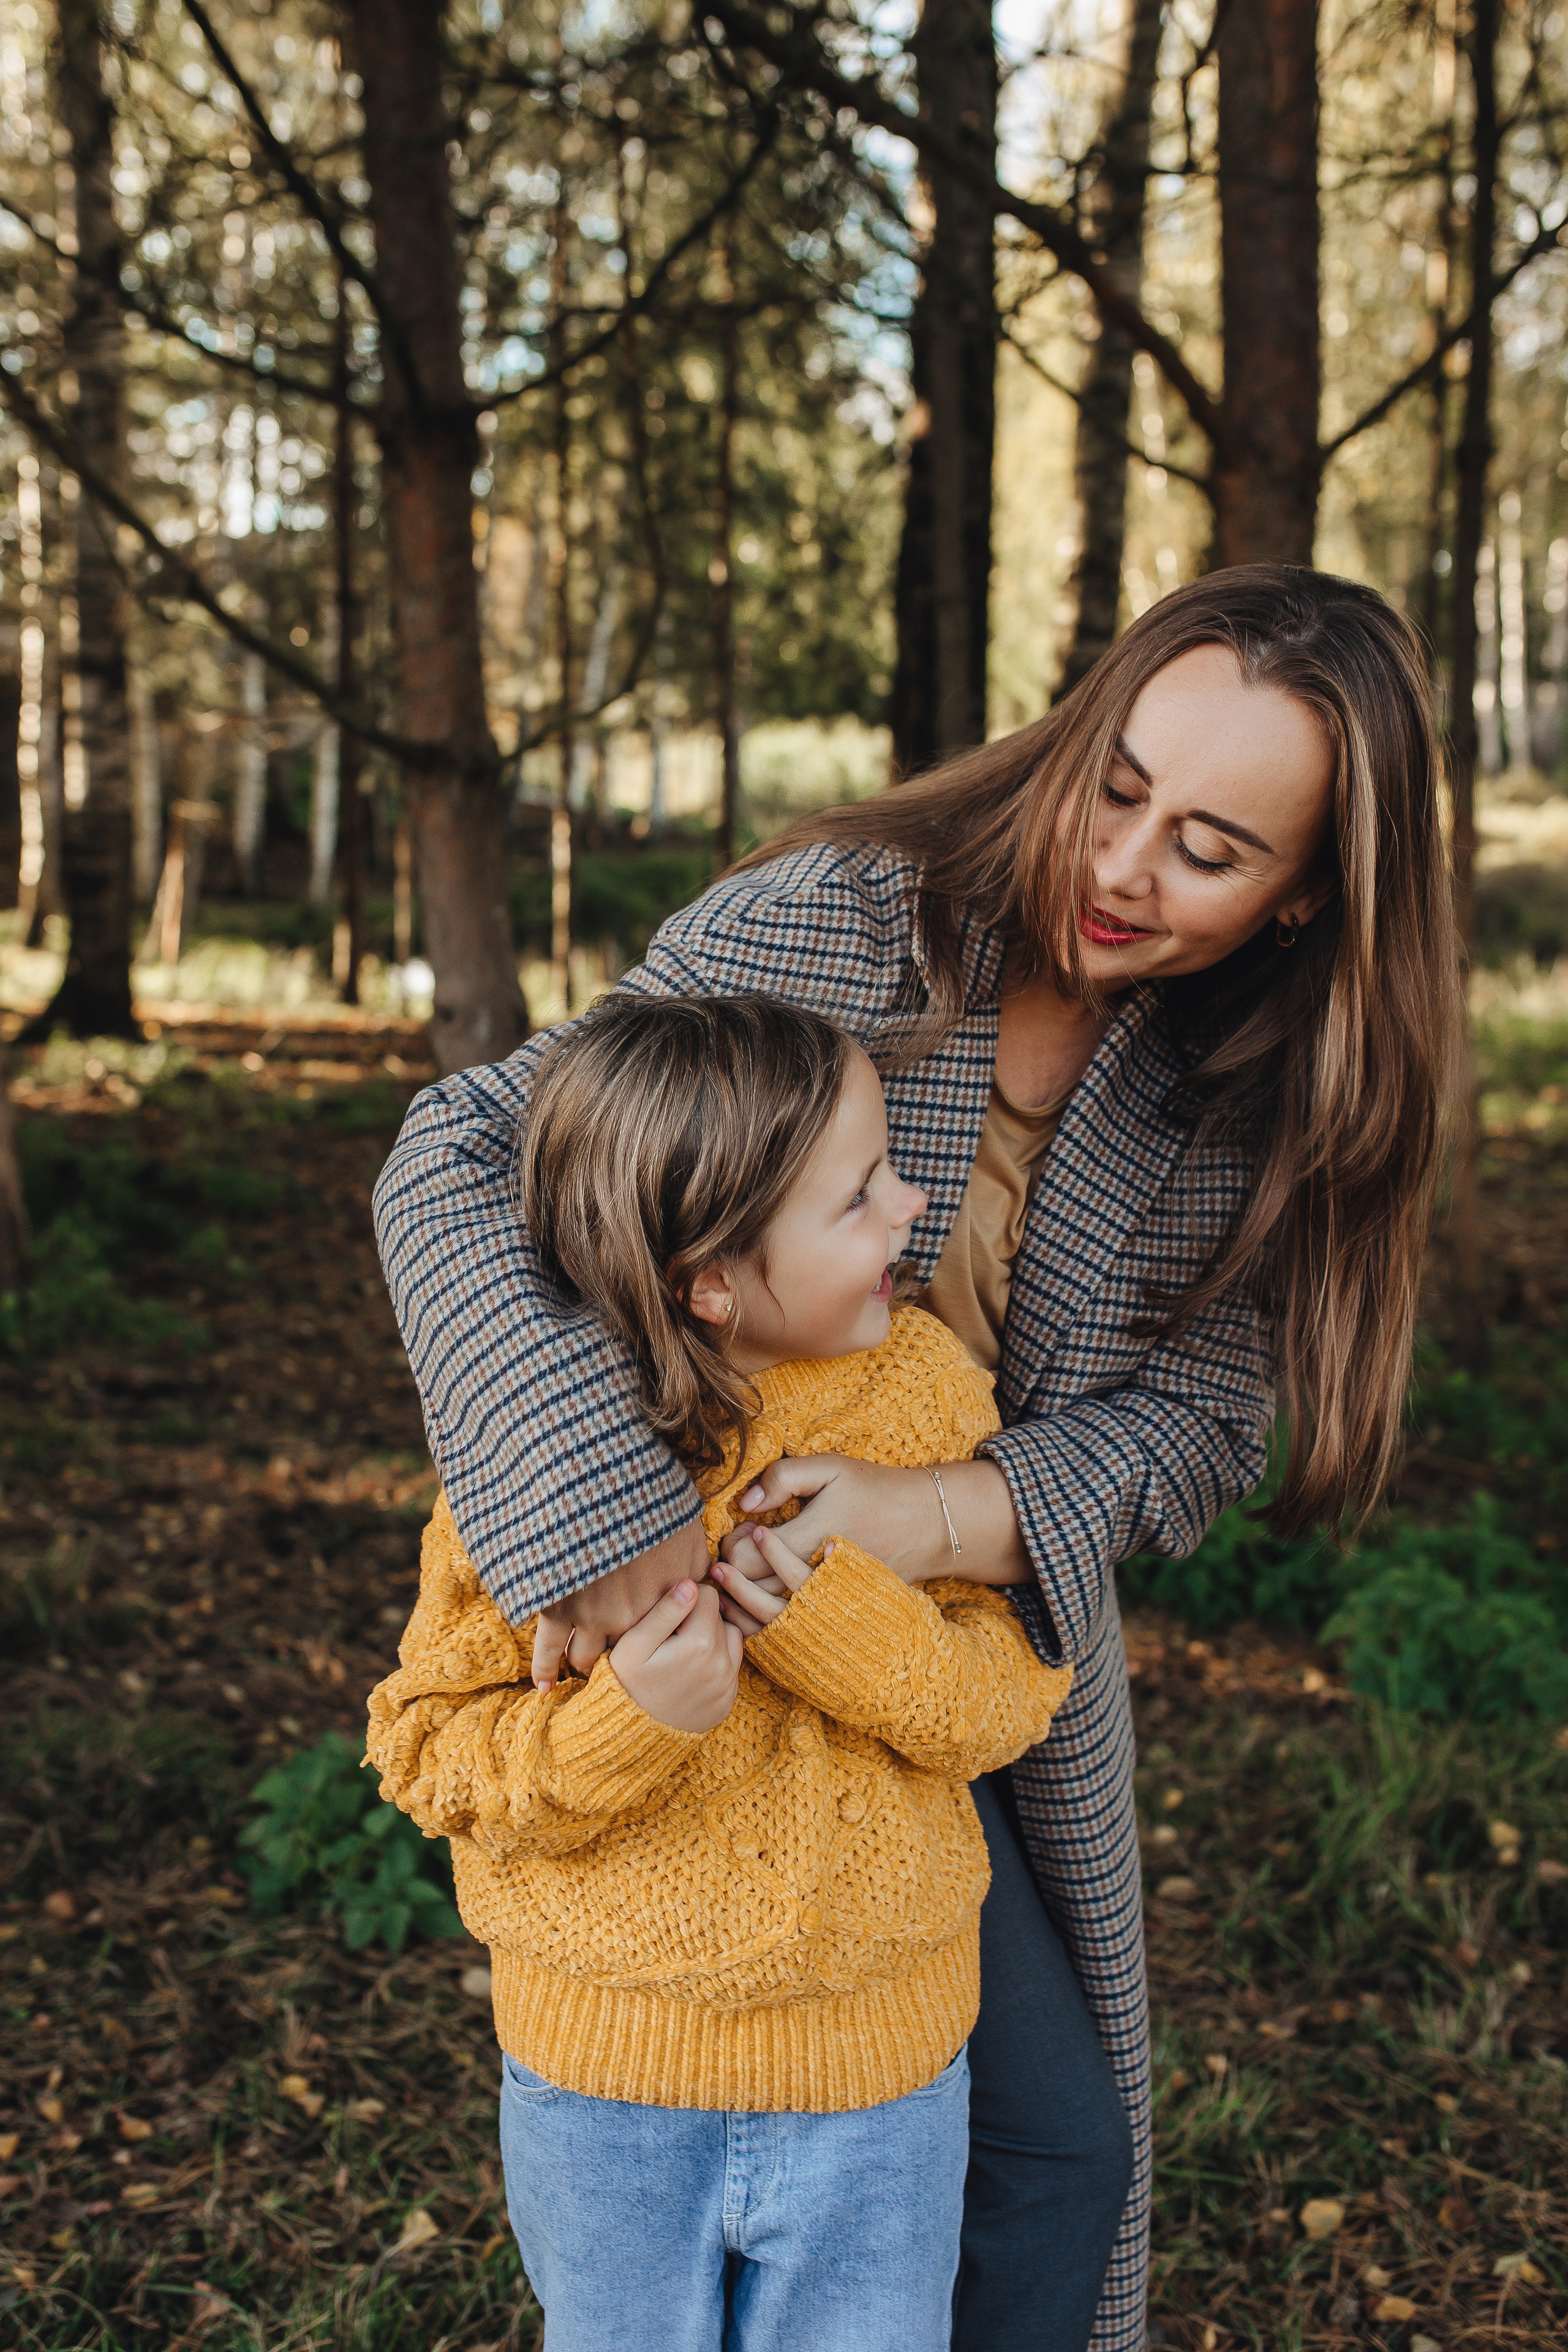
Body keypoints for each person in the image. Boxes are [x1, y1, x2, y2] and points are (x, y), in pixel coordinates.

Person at [373, 567, 1462, 2352]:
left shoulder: (1262, 1084)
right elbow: (473, 1153)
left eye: (1211, 850)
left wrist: (934, 1515)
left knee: (1057, 2154)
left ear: (1305, 898)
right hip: (693, 1638)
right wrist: (599, 1516)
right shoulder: (841, 925)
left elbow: (1203, 1423)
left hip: (950, 1659)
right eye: (1117, 788)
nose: (1123, 869)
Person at [367, 993, 1074, 2352]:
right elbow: (423, 1747)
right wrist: (621, 1729)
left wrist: (850, 1637)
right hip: (604, 2089)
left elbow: (1008, 1697)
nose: (914, 1206)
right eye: (859, 1194)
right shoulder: (545, 1456)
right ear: (711, 1278)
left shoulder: (924, 1398)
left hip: (881, 2086)